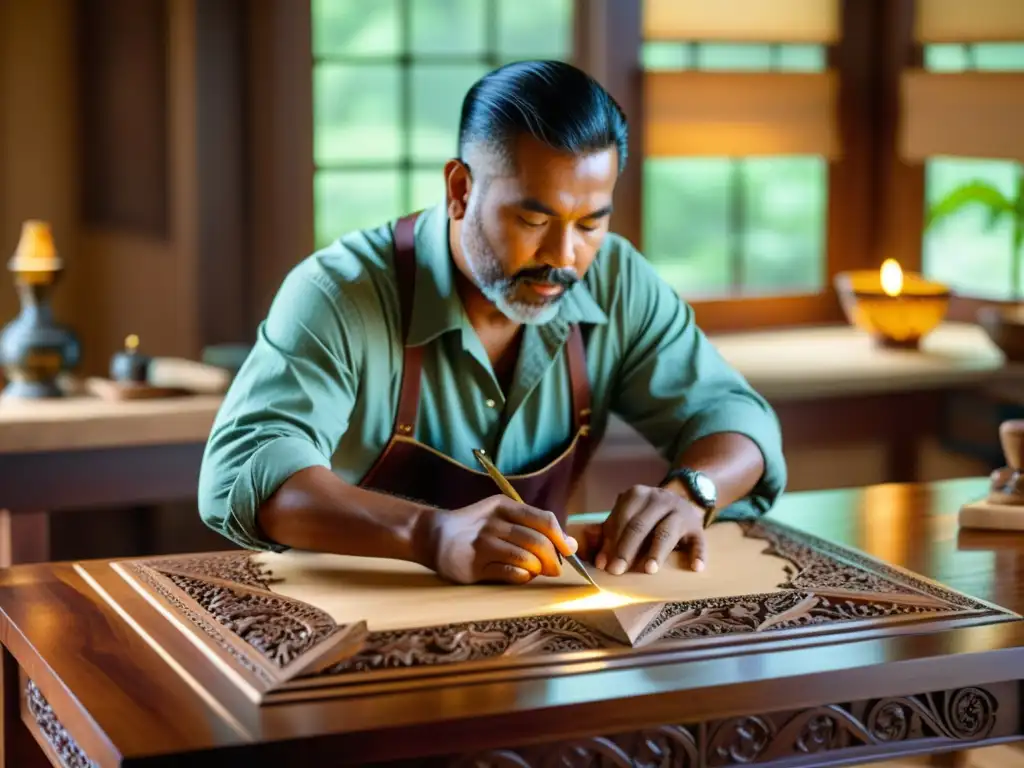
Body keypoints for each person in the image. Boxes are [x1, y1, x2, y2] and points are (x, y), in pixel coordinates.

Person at [197, 60, 786, 586]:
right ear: (459, 189)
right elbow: (245, 472)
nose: (562, 255)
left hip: (535, 637)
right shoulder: (338, 291)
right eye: (534, 219)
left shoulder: (617, 280)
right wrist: (428, 535)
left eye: (589, 224)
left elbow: (738, 420)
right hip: (348, 627)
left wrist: (691, 493)